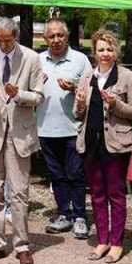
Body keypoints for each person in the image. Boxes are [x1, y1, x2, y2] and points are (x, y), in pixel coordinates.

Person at [0, 16, 45, 264]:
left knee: (19, 192)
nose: (2, 45)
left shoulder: (31, 58)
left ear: (16, 37)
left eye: (7, 41)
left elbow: (39, 95)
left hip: (20, 134)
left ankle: (22, 245)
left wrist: (20, 95)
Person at [74, 30, 132, 264]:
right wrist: (80, 104)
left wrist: (116, 104)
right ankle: (102, 240)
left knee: (116, 194)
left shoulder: (127, 77)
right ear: (94, 52)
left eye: (109, 49)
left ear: (116, 52)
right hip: (90, 143)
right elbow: (77, 113)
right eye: (101, 49)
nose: (105, 54)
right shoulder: (86, 77)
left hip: (116, 144)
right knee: (97, 194)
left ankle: (117, 243)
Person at [38, 18, 93, 238]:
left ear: (67, 37)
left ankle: (80, 216)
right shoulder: (37, 59)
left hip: (73, 127)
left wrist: (75, 88)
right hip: (45, 128)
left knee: (76, 174)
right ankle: (64, 214)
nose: (56, 40)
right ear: (45, 39)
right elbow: (25, 89)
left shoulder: (80, 60)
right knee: (56, 175)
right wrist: (35, 83)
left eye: (60, 35)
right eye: (51, 36)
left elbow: (92, 91)